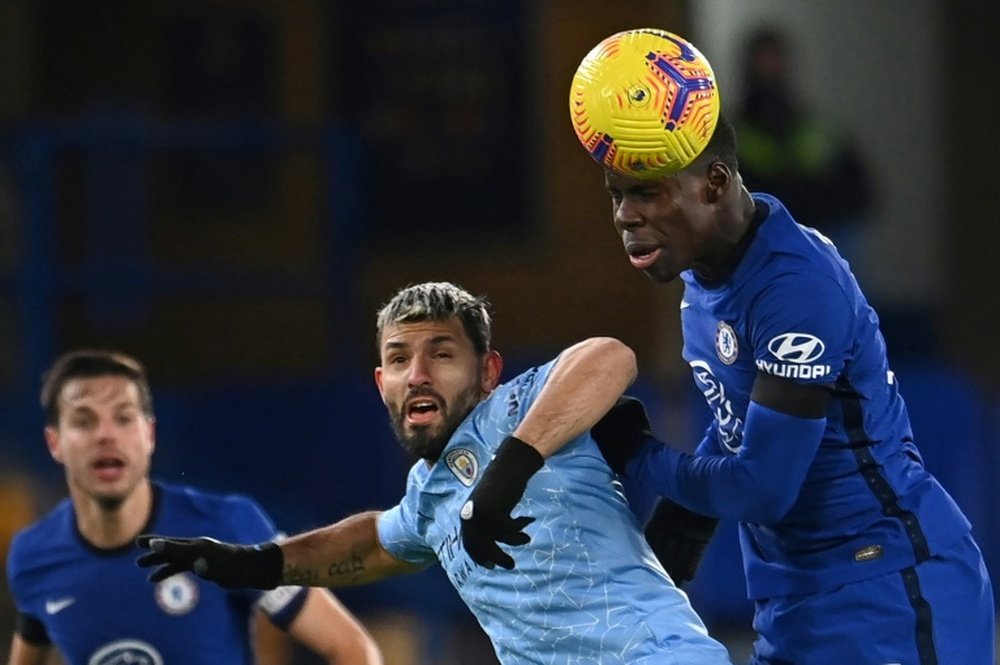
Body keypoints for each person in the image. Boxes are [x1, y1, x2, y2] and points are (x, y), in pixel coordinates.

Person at [137, 281, 733, 665]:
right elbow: (375, 542)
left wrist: (511, 469)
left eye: (442, 354)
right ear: (380, 385)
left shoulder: (520, 408)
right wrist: (257, 563)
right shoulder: (428, 497)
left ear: (489, 371)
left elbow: (610, 356)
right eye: (399, 359)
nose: (417, 373)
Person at [590, 111, 995, 664]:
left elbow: (765, 487)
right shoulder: (706, 275)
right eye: (616, 195)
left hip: (886, 589)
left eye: (646, 194)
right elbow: (741, 426)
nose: (625, 216)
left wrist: (637, 454)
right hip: (795, 598)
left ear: (715, 183)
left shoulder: (796, 286)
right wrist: (686, 517)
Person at [5, 349, 383, 665]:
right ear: (54, 443)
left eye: (123, 418)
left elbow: (352, 649)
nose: (106, 435)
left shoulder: (226, 526)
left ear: (149, 434)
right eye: (85, 422)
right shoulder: (33, 556)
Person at [733, 27, 873, 265]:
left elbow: (861, 194)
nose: (769, 69)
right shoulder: (731, 136)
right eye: (762, 60)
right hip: (759, 250)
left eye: (774, 59)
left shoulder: (818, 131)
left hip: (820, 241)